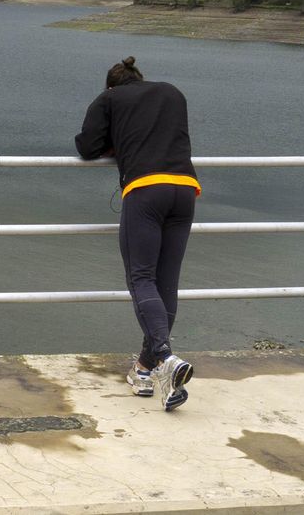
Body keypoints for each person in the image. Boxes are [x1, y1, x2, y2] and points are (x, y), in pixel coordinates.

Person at [74, 56, 199, 411]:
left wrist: (114, 140)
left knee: (141, 277)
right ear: (140, 78)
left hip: (146, 191)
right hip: (185, 188)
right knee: (166, 283)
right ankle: (147, 369)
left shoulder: (109, 98)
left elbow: (86, 147)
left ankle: (165, 356)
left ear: (112, 85)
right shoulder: (173, 93)